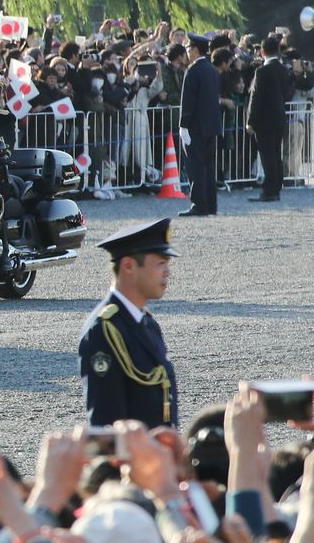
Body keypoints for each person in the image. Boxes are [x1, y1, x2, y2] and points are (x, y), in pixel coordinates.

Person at [78, 218, 180, 428]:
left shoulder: (148, 324)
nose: (167, 272)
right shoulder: (104, 331)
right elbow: (106, 424)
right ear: (128, 266)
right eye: (161, 263)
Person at [178, 33, 221, 216]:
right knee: (209, 168)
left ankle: (199, 204)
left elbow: (188, 101)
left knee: (196, 166)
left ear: (195, 49)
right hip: (211, 126)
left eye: (188, 48)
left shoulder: (193, 70)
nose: (188, 52)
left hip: (196, 126)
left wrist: (183, 125)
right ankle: (210, 204)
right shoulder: (211, 69)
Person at [245, 34, 290, 203]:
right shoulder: (283, 69)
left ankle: (269, 190)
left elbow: (256, 98)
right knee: (275, 152)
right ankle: (276, 186)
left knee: (266, 153)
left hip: (265, 119)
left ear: (262, 52)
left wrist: (251, 121)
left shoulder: (262, 71)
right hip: (279, 116)